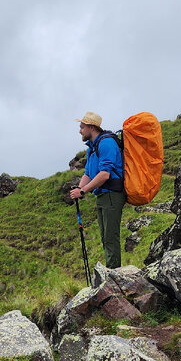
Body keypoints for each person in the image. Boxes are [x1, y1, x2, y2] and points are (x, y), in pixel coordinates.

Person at [69, 111, 125, 269]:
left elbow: (105, 174)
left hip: (112, 195)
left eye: (82, 127)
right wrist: (79, 188)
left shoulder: (106, 143)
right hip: (102, 195)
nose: (80, 130)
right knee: (104, 237)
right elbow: (88, 172)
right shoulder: (92, 148)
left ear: (91, 127)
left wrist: (83, 191)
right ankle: (111, 272)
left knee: (110, 237)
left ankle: (114, 275)